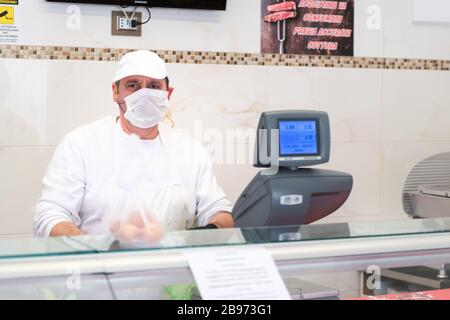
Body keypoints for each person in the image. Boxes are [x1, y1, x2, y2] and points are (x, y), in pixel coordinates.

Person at [33, 50, 234, 239]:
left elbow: (220, 215)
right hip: (98, 269)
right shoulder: (81, 144)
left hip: (171, 268)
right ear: (115, 92)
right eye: (133, 85)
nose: (143, 94)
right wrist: (93, 251)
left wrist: (189, 241)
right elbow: (51, 215)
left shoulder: (190, 150)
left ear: (168, 94)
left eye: (153, 86)